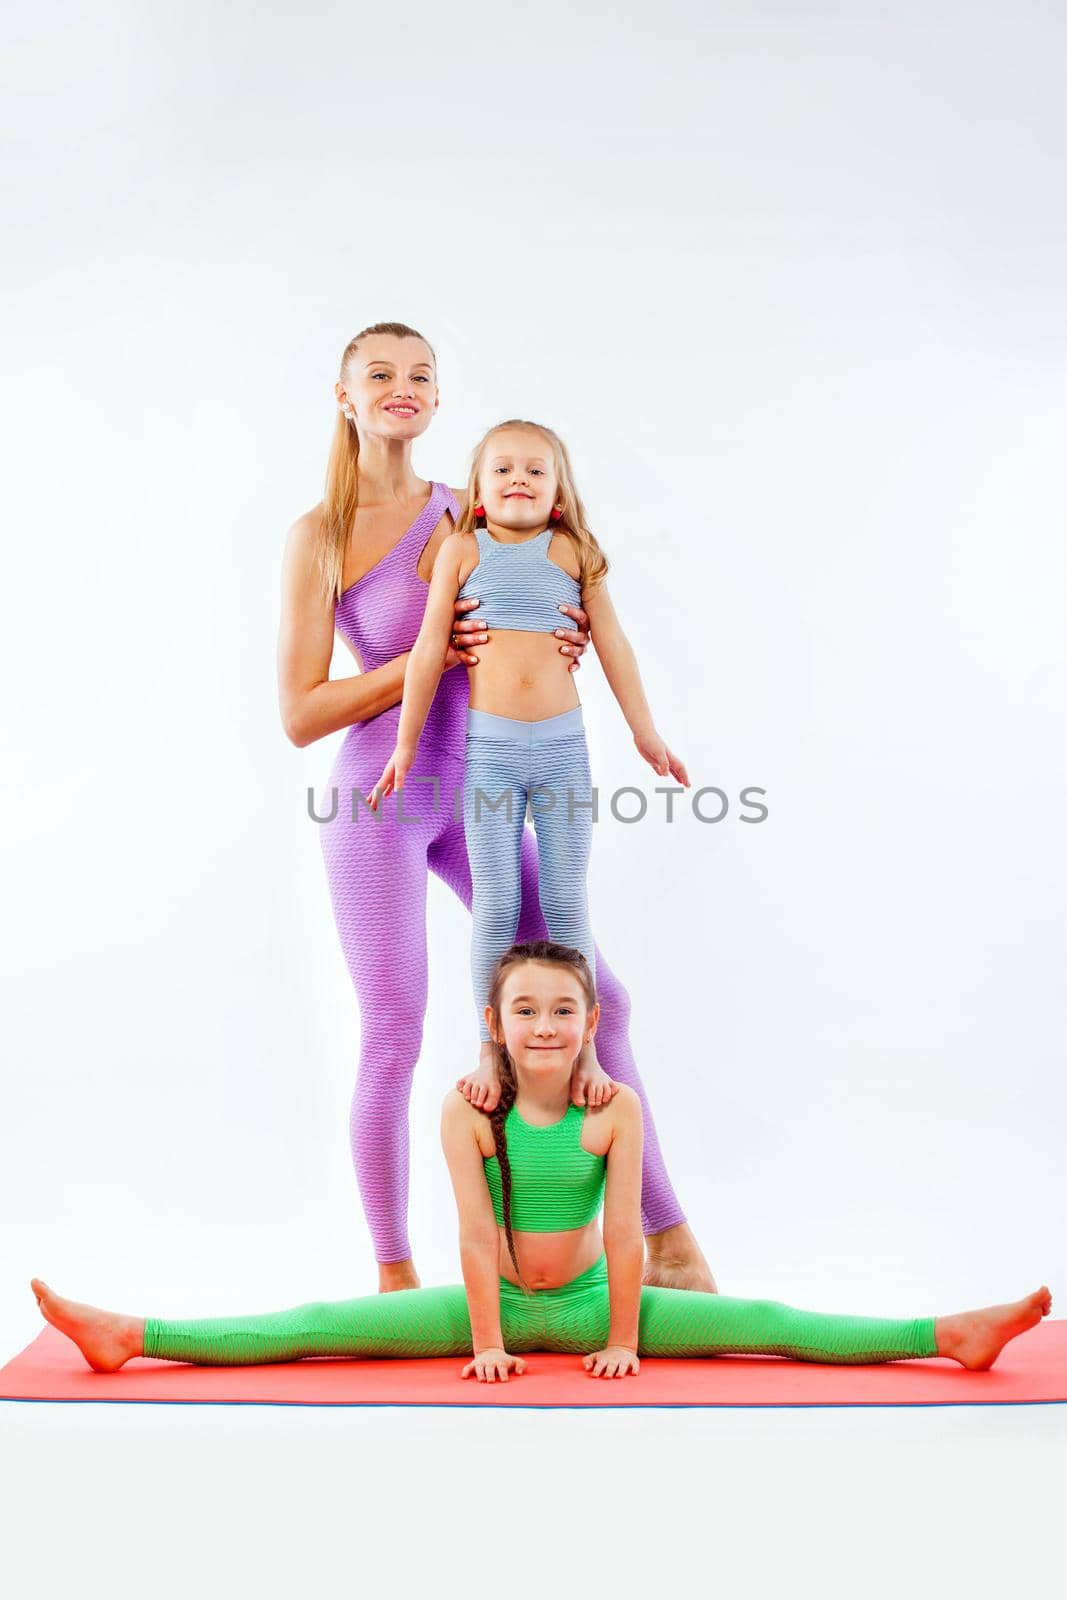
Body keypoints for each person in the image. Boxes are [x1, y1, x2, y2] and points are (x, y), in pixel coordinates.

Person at [30, 943, 1051, 1381]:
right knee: (314, 1326)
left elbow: (621, 1232)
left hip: (606, 1304)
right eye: (525, 1010)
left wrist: (618, 1340)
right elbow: (476, 1234)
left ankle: (946, 1332)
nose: (544, 1025)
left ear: (588, 1020)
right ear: (496, 1022)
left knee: (769, 1324)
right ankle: (134, 1333)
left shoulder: (615, 1109)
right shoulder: (466, 1110)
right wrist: (483, 1341)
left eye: (563, 1009)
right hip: (503, 1309)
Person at [278, 320, 714, 1293]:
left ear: (437, 400)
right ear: (342, 394)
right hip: (379, 795)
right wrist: (416, 666)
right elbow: (301, 712)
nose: (404, 386)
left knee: (604, 997)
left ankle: (672, 1245)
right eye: (379, 372)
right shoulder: (319, 535)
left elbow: (549, 602)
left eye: (421, 374)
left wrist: (563, 643)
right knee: (394, 1027)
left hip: (481, 781)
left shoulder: (466, 512)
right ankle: (394, 1274)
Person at [369, 418, 687, 1078]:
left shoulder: (575, 551)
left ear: (559, 493)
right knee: (499, 903)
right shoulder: (460, 550)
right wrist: (403, 746)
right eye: (503, 468)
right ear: (478, 491)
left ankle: (589, 1056)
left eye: (536, 470)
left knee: (568, 903)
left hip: (562, 753)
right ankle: (490, 1051)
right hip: (490, 754)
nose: (520, 478)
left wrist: (644, 732)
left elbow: (613, 645)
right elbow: (428, 651)